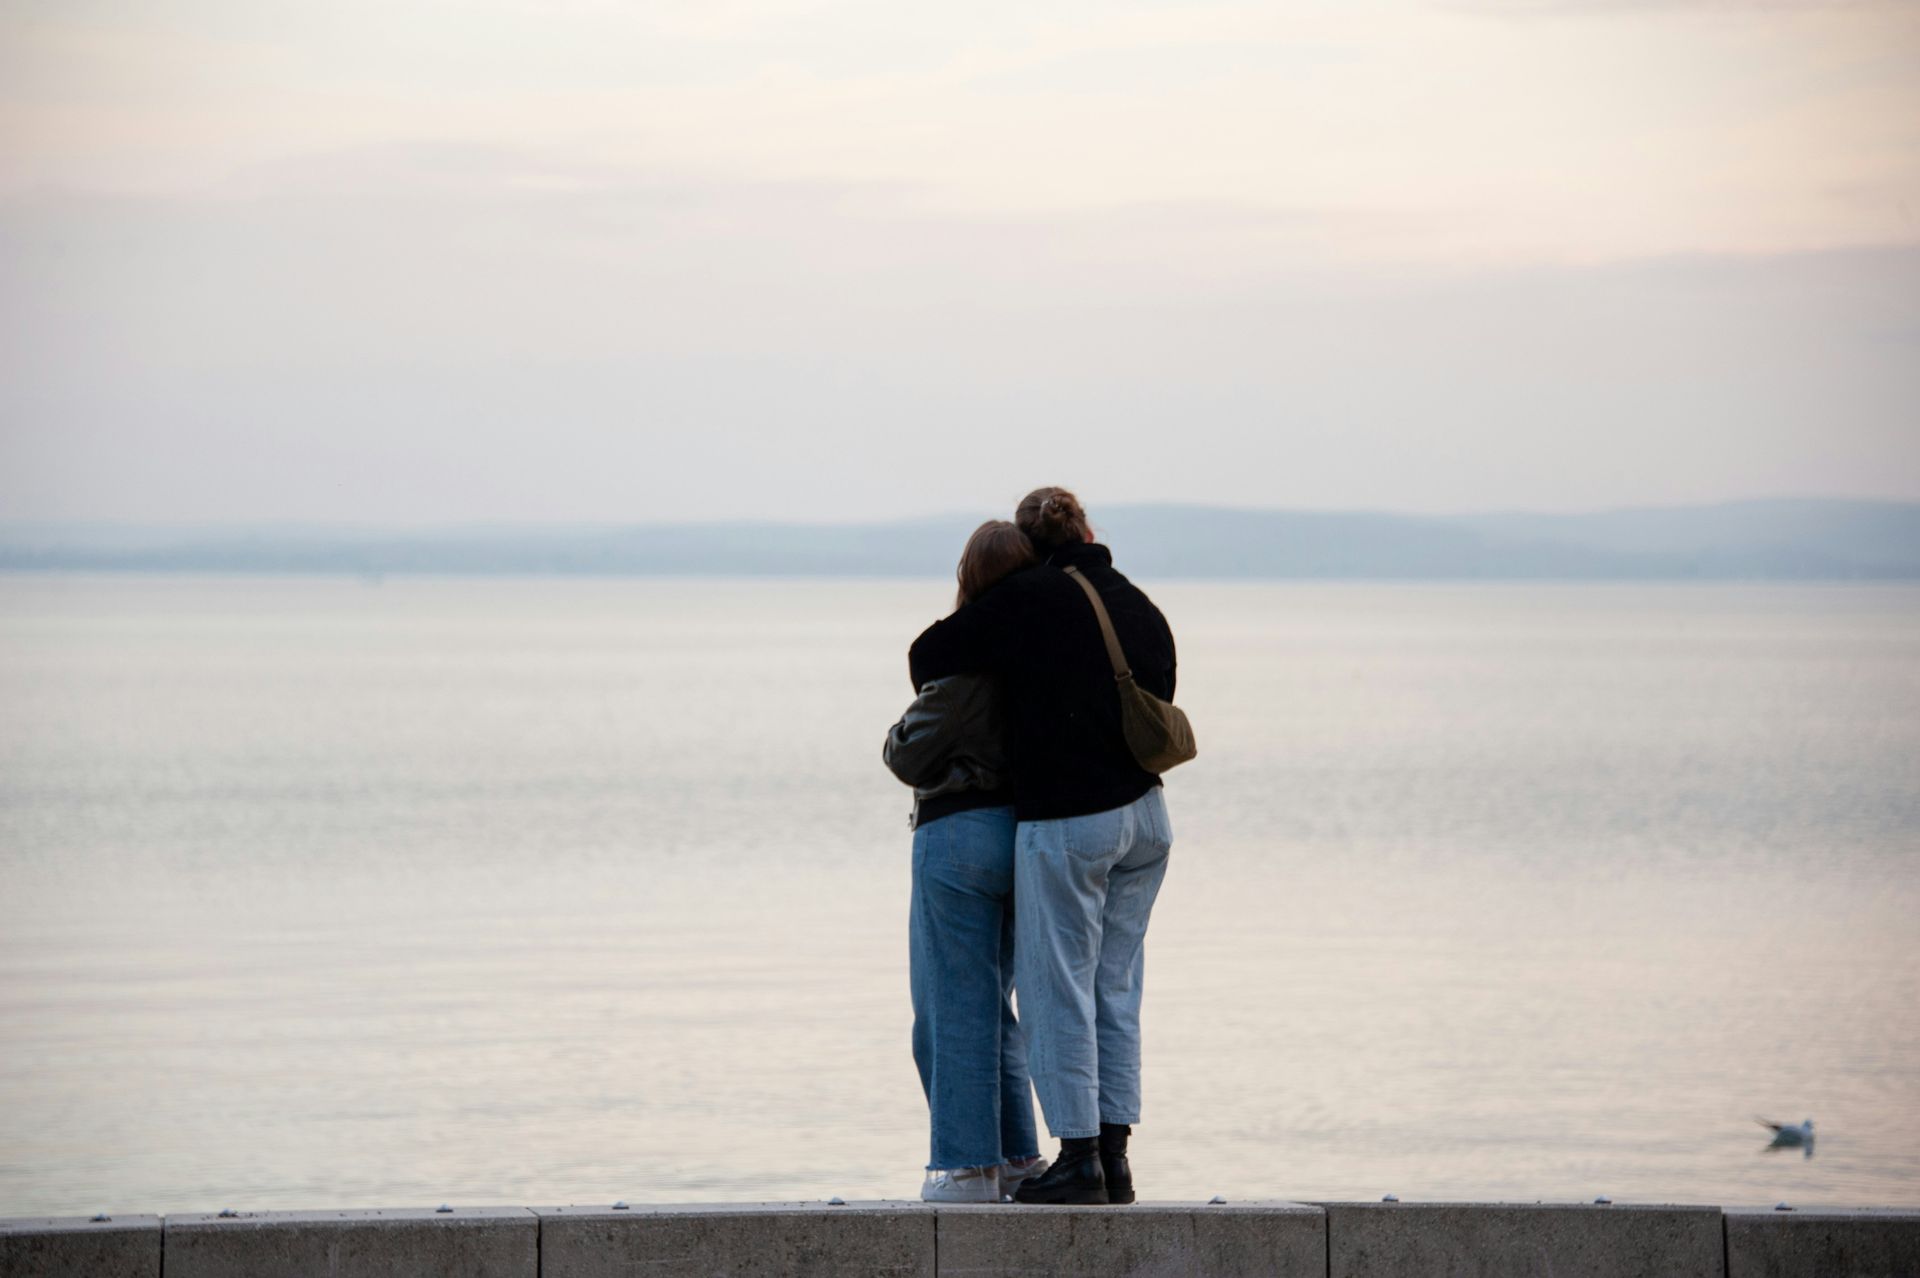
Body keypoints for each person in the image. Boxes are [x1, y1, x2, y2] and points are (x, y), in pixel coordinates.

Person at [908, 486, 1178, 1206]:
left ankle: (1079, 1159)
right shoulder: (1134, 601)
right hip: (1148, 818)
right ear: (1088, 529)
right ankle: (1115, 1162)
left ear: (1034, 547)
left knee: (1058, 989)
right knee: (1114, 989)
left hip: (1073, 819)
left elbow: (930, 653)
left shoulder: (1035, 594)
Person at [883, 520, 1050, 1203]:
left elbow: (907, 754)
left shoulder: (964, 661)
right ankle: (1016, 1159)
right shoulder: (1043, 659)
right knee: (995, 1008)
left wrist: (896, 731)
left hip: (957, 837)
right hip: (1023, 836)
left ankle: (965, 1168)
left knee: (947, 1009)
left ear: (969, 578)